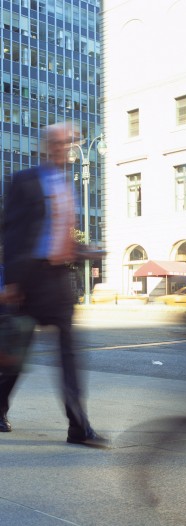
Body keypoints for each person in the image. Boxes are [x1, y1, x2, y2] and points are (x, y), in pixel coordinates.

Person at [0, 122, 107, 447]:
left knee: (69, 354)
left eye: (69, 142)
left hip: (60, 279)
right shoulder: (25, 181)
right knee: (18, 351)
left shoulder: (66, 184)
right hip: (29, 279)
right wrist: (12, 281)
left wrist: (84, 250)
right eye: (59, 142)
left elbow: (60, 233)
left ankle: (78, 426)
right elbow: (12, 231)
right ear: (47, 146)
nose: (65, 148)